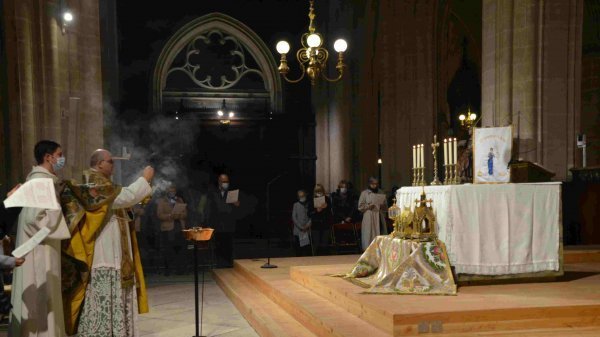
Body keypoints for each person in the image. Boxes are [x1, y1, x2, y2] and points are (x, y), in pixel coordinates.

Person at [61, 149, 154, 337]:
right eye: (110, 161)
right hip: (103, 249)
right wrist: (145, 179)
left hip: (115, 250)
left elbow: (122, 203)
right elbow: (123, 197)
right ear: (99, 164)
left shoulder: (105, 183)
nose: (113, 165)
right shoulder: (93, 182)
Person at [10, 140, 71, 337]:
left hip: (43, 245)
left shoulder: (41, 180)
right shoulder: (41, 182)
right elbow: (33, 219)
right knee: (42, 299)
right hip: (39, 251)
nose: (62, 158)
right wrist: (58, 213)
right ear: (48, 157)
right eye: (59, 154)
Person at [208, 174, 240, 268]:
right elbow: (211, 209)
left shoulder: (231, 193)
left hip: (229, 224)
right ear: (219, 182)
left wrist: (236, 205)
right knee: (218, 246)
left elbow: (236, 210)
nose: (225, 183)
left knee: (229, 245)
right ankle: (220, 265)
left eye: (227, 182)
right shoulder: (213, 193)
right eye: (224, 181)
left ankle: (229, 264)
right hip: (217, 224)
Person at [156, 185, 188, 275]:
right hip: (168, 228)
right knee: (168, 250)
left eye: (174, 191)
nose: (172, 193)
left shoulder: (179, 200)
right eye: (170, 191)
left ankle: (180, 270)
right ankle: (168, 270)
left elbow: (185, 213)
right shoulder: (162, 201)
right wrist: (170, 216)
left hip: (179, 227)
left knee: (180, 248)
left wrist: (179, 215)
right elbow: (159, 214)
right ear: (167, 192)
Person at [358, 177, 388, 250]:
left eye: (376, 184)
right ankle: (368, 249)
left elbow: (386, 207)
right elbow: (360, 206)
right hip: (369, 216)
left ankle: (380, 249)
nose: (375, 185)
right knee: (369, 233)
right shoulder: (364, 193)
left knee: (380, 231)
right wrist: (368, 206)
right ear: (369, 184)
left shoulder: (381, 192)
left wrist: (382, 206)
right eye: (373, 184)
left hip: (379, 215)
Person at [309, 184, 331, 255]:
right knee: (316, 244)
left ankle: (325, 260)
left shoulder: (327, 199)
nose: (319, 193)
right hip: (316, 225)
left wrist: (327, 207)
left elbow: (330, 213)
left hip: (325, 224)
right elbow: (309, 213)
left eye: (320, 191)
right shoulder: (311, 200)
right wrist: (316, 211)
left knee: (325, 244)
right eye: (317, 191)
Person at [291, 190, 312, 256]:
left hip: (307, 230)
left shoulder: (309, 204)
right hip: (298, 230)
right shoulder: (296, 205)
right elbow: (294, 217)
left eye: (303, 196)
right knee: (298, 250)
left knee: (306, 250)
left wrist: (307, 225)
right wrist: (301, 227)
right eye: (300, 196)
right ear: (298, 197)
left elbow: (311, 217)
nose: (302, 197)